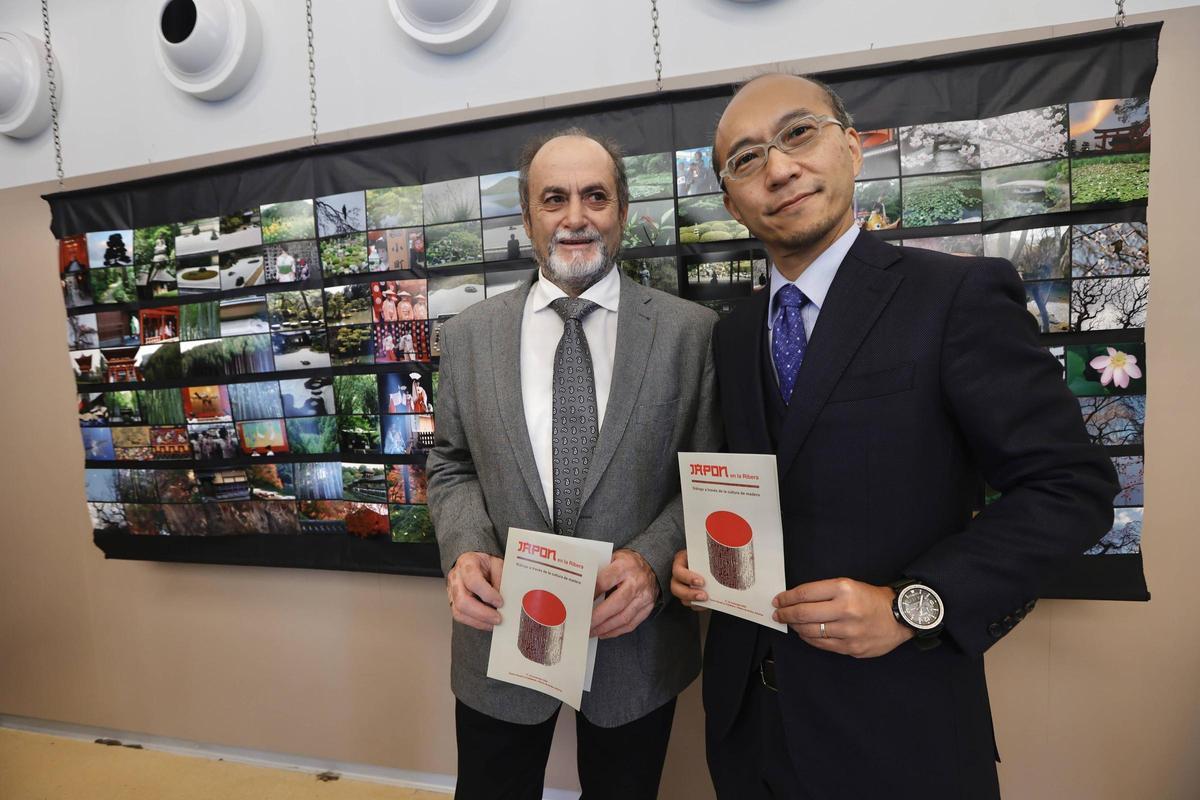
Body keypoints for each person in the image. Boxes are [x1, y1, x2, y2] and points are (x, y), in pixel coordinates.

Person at [669, 74, 1118, 799]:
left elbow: (1072, 487)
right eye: (746, 159)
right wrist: (701, 560)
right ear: (732, 202)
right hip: (749, 730)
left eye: (798, 134)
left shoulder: (955, 298)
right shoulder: (734, 334)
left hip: (898, 732)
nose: (778, 168)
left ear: (851, 147)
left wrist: (915, 602)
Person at [426, 128, 720, 800]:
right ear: (529, 218)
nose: (576, 217)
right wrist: (465, 551)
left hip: (635, 639)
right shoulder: (469, 337)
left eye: (595, 196)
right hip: (501, 631)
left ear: (620, 210)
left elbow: (708, 480)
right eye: (553, 199)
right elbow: (450, 464)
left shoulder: (690, 333)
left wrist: (651, 561)